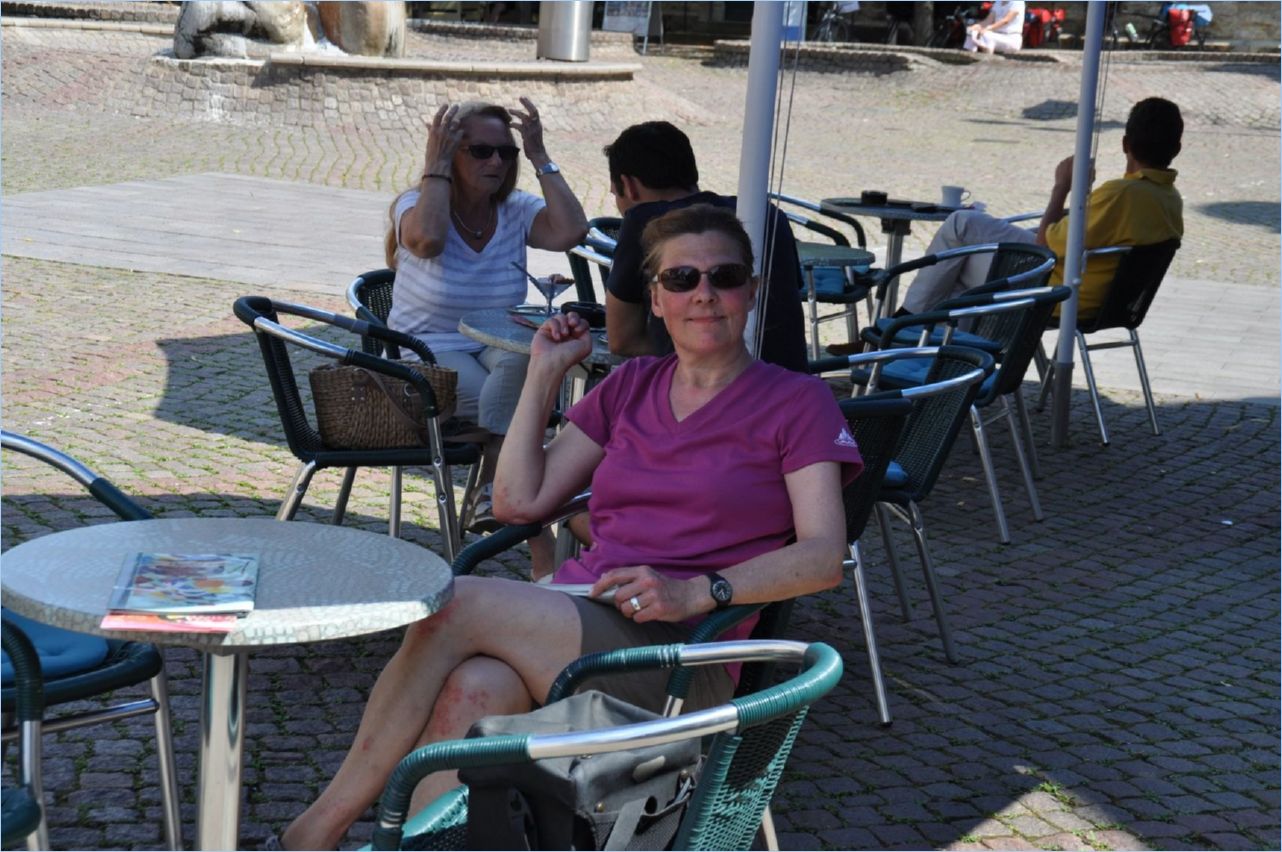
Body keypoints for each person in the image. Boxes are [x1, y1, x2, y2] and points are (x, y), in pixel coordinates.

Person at [276, 204, 863, 850]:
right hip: (584, 613)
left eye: (723, 277)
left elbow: (823, 556)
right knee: (474, 690)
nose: (703, 294)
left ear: (750, 291)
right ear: (656, 300)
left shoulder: (796, 402)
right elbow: (518, 503)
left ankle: (314, 833)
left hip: (682, 657)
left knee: (454, 603)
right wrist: (543, 373)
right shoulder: (631, 385)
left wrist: (697, 591)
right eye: (681, 279)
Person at [384, 97, 587, 536]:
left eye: (505, 152)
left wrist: (539, 155)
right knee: (523, 409)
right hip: (427, 351)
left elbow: (571, 231)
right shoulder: (414, 205)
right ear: (450, 152)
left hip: (495, 343)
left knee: (522, 361)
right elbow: (428, 241)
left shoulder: (514, 209)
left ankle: (495, 493)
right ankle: (517, 518)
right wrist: (435, 165)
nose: (496, 161)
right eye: (480, 151)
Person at [901, 97, 1184, 319]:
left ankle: (904, 321)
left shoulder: (1121, 194)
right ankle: (931, 344)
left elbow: (1044, 245)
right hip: (1107, 300)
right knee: (959, 266)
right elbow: (1093, 232)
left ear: (1125, 144)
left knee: (961, 225)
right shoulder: (1170, 199)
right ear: (1177, 148)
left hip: (1059, 292)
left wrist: (1062, 187)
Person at [601, 121, 809, 373]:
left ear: (629, 186)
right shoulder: (768, 214)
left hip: (711, 383)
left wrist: (683, 342)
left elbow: (622, 339)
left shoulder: (644, 222)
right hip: (789, 375)